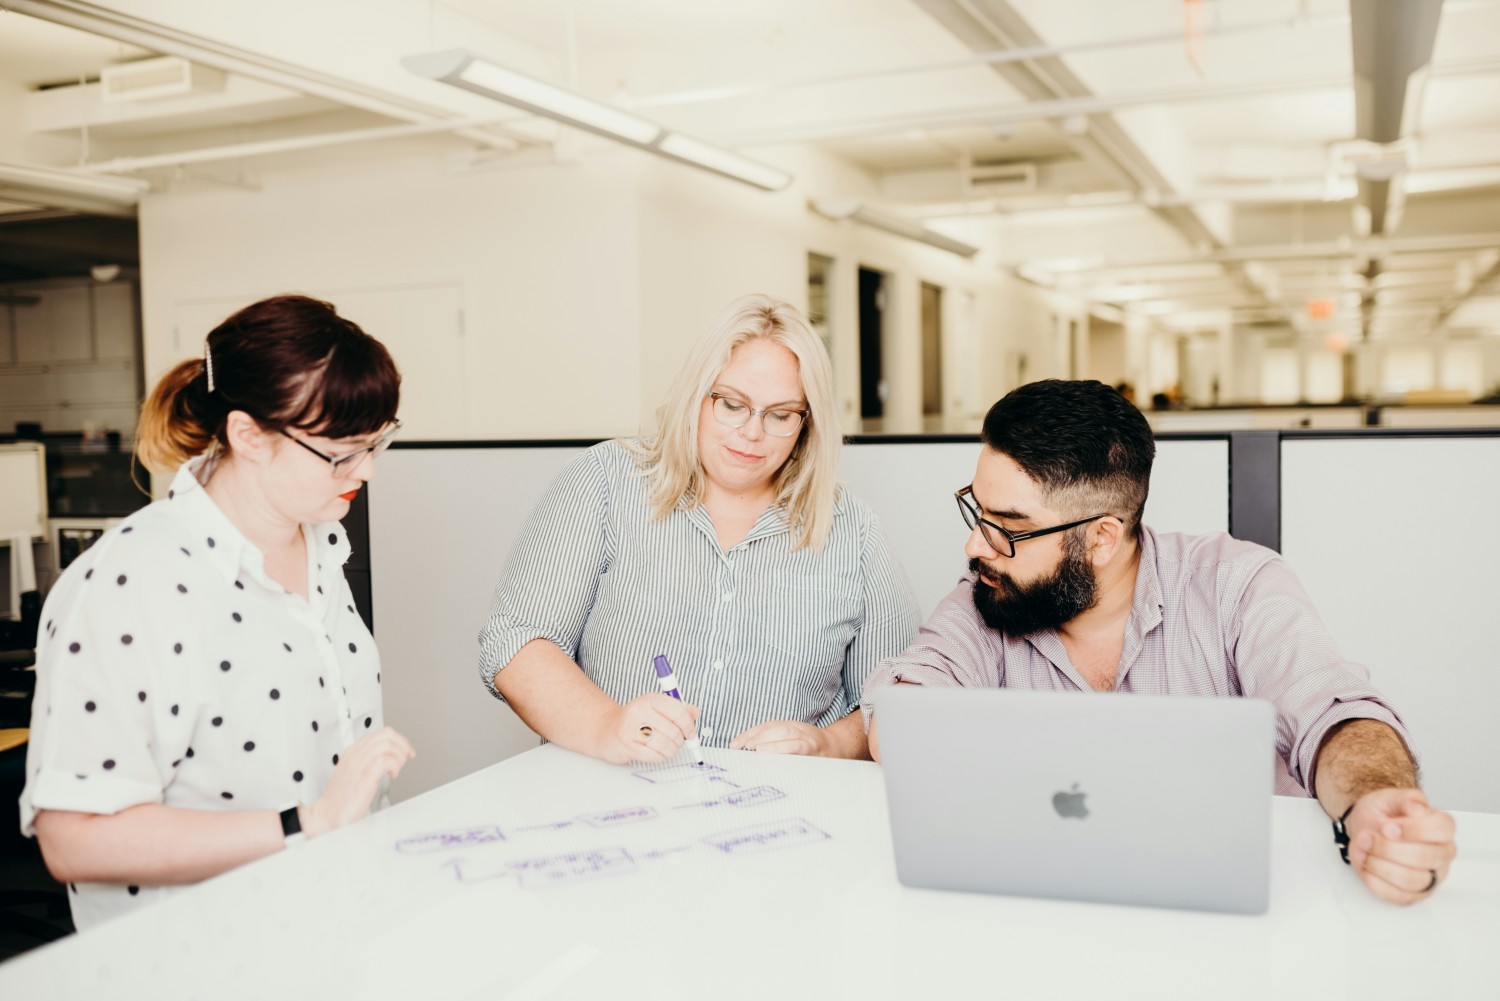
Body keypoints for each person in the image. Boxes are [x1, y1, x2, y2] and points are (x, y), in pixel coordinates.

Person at [862, 379, 1457, 906]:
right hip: (1044, 911)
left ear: (1100, 538)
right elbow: (910, 702)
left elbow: (1335, 713)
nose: (977, 546)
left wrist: (1373, 799)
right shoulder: (991, 593)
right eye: (977, 513)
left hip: (1227, 921)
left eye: (1009, 528)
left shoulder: (1235, 584)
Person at [20, 295, 416, 930]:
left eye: (377, 443)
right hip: (195, 961)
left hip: (328, 935)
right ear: (248, 434)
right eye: (341, 452)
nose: (365, 470)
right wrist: (305, 825)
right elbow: (74, 840)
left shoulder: (319, 545)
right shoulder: (128, 582)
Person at [479, 294, 919, 765]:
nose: (752, 433)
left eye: (781, 415)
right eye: (732, 405)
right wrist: (607, 726)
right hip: (612, 802)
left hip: (773, 812)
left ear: (807, 424)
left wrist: (829, 743)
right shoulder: (607, 481)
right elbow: (516, 641)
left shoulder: (852, 531)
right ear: (697, 394)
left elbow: (898, 697)